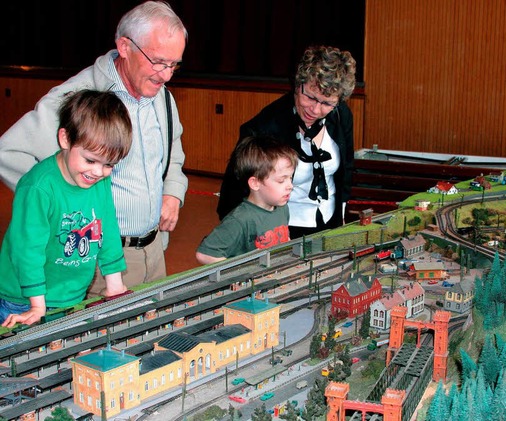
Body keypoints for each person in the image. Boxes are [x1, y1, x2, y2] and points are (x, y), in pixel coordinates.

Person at [0, 1, 189, 297]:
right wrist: (63, 201)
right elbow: (7, 153)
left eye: (174, 65)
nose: (166, 75)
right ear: (125, 46)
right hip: (99, 265)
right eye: (157, 61)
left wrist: (172, 193)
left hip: (155, 250)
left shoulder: (162, 97)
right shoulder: (77, 98)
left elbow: (173, 152)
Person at [0, 90, 132, 327]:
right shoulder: (39, 187)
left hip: (70, 297)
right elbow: (27, 251)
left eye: (109, 165)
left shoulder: (98, 181)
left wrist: (114, 284)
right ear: (65, 139)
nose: (98, 172)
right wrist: (37, 305)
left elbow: (107, 229)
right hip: (25, 300)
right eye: (90, 160)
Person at [217, 45, 357, 239]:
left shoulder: (342, 116)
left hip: (330, 223)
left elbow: (346, 169)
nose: (315, 110)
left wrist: (341, 214)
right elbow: (231, 198)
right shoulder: (263, 129)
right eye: (310, 97)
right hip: (282, 229)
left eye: (327, 103)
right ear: (297, 84)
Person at [196, 136, 297, 264]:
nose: (290, 186)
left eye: (291, 178)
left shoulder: (282, 208)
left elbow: (284, 239)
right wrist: (238, 274)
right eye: (281, 180)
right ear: (255, 183)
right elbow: (205, 254)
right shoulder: (240, 220)